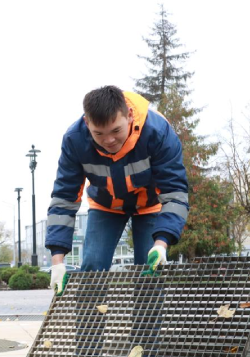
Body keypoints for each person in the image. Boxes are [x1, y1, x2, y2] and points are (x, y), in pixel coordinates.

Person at [46, 85, 189, 292]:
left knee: (149, 271)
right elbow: (64, 198)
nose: (109, 140)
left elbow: (175, 192)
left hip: (150, 205)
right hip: (106, 205)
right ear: (87, 123)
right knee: (92, 266)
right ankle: (89, 325)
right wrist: (57, 260)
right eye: (99, 133)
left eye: (116, 130)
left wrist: (161, 243)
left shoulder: (158, 132)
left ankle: (146, 325)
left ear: (129, 115)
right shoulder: (74, 140)